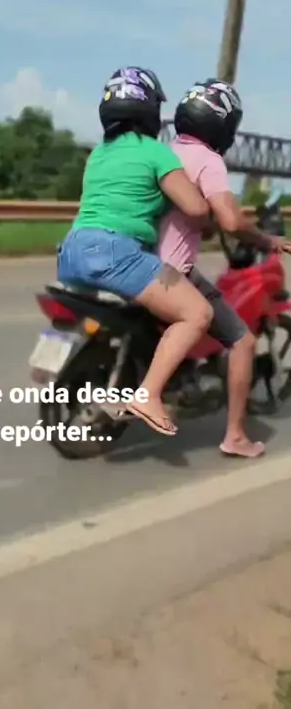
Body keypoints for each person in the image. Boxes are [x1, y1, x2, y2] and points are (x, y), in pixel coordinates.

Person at [57, 67, 213, 436]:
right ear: (149, 110)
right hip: (116, 254)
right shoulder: (156, 153)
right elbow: (195, 209)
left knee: (145, 313)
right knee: (197, 313)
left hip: (71, 251)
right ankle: (148, 395)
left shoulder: (98, 155)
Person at [158, 78, 291, 457]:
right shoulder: (207, 160)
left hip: (135, 262)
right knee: (242, 341)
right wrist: (266, 240)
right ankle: (235, 436)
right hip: (171, 272)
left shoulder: (164, 152)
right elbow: (232, 221)